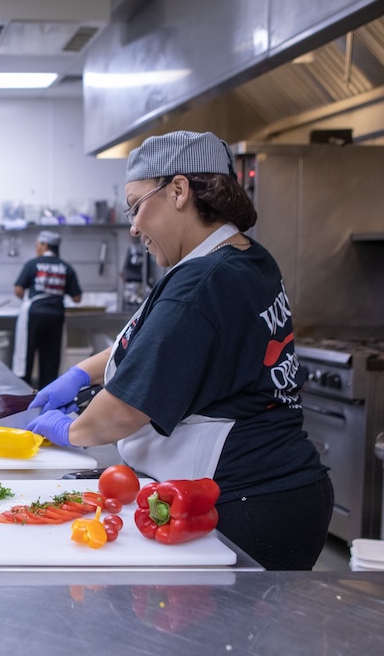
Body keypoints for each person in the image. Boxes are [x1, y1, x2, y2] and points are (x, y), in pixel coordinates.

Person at [24, 131, 332, 570]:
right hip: (281, 492)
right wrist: (80, 374)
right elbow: (158, 342)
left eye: (135, 205)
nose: (132, 226)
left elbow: (119, 415)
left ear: (179, 190)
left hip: (248, 503)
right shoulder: (243, 258)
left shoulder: (204, 282)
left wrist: (67, 430)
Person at [12, 230, 83, 389]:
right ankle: (48, 397)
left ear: (45, 245)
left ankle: (24, 395)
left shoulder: (33, 264)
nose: (37, 248)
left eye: (38, 244)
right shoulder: (66, 267)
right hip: (56, 315)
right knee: (51, 359)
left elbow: (18, 290)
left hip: (34, 314)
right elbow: (77, 298)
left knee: (26, 357)